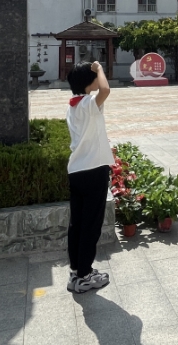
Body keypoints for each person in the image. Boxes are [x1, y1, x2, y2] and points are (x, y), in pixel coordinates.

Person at [65, 61, 113, 293]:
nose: (97, 78)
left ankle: (76, 270)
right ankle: (84, 275)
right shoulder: (87, 104)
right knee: (90, 225)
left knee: (77, 224)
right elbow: (105, 90)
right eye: (93, 76)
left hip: (76, 170)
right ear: (87, 82)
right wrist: (100, 68)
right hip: (94, 170)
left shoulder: (73, 106)